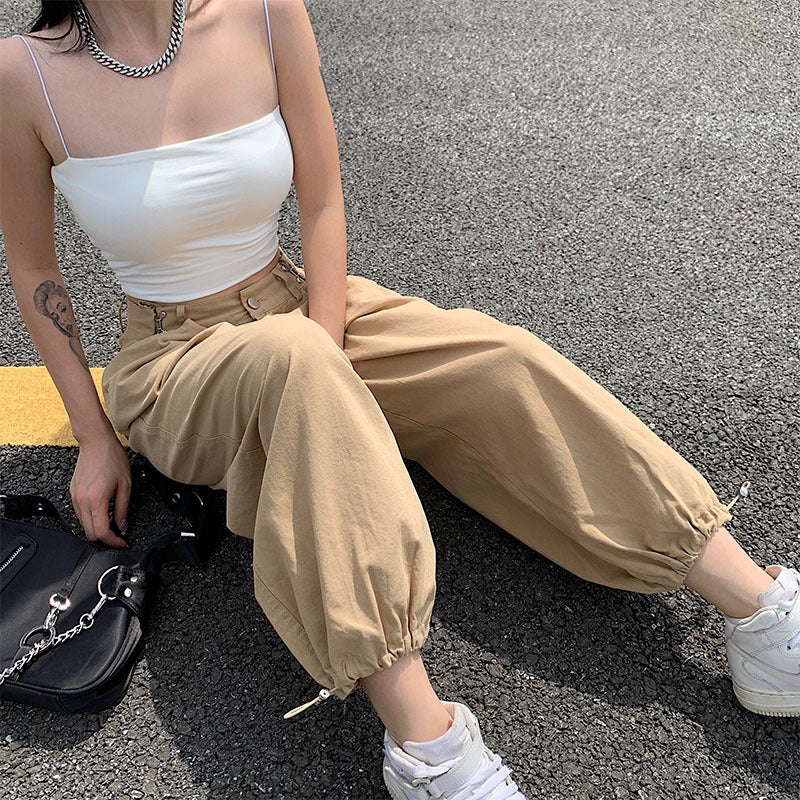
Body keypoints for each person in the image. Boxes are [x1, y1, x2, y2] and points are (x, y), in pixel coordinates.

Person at [0, 1, 797, 797]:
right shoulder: (24, 74)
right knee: (293, 363)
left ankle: (757, 612)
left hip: (300, 305)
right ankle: (429, 750)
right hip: (174, 362)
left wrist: (326, 336)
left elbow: (321, 195)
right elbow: (36, 269)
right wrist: (96, 438)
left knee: (496, 361)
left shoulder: (264, 13)